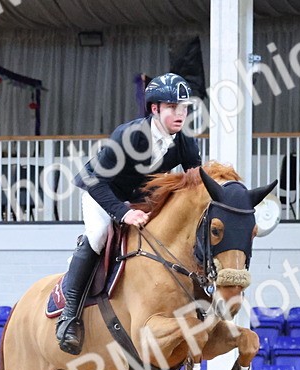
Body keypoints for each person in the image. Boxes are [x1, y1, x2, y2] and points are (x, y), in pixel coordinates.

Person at [54, 72, 203, 355]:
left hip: (138, 197)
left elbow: (195, 185)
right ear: (155, 108)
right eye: (172, 108)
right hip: (102, 191)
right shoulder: (129, 136)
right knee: (98, 236)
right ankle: (69, 316)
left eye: (184, 108)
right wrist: (122, 213)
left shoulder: (185, 143)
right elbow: (95, 180)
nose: (180, 114)